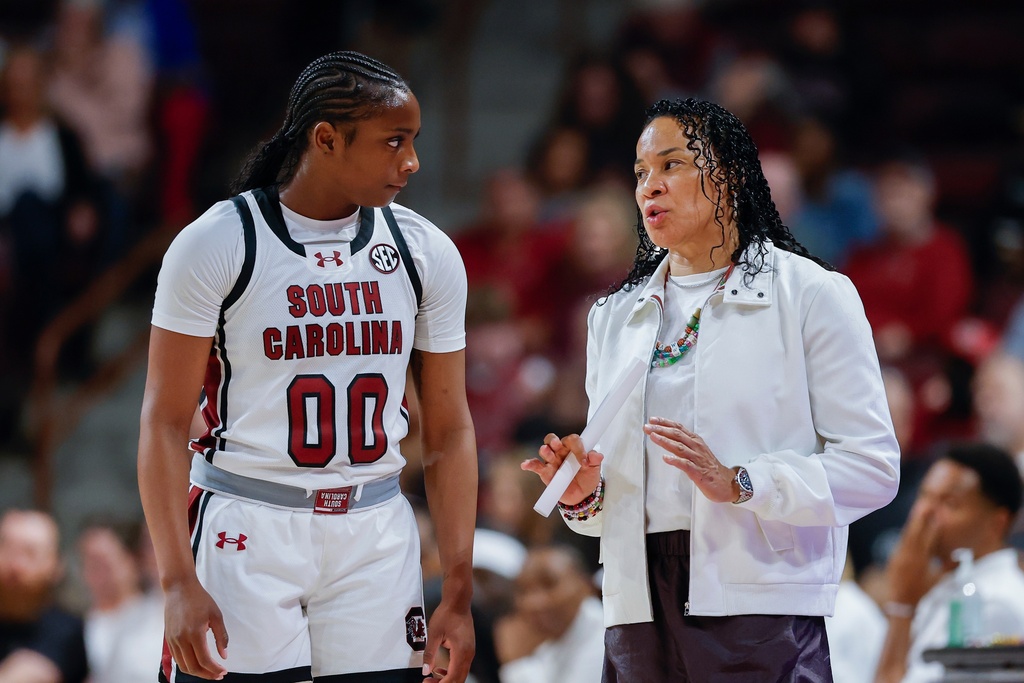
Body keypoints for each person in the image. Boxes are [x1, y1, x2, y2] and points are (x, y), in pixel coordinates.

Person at [523, 97, 900, 681]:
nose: (651, 185)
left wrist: (743, 482)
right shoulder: (613, 316)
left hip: (760, 601)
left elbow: (873, 467)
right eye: (641, 173)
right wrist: (584, 496)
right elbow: (613, 509)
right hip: (634, 605)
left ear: (730, 176)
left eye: (671, 165)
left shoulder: (812, 294)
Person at [137, 51, 477, 683]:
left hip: (375, 528)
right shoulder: (218, 242)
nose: (412, 161)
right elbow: (162, 423)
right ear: (326, 138)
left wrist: (458, 586)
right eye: (393, 142)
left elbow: (451, 429)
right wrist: (176, 581)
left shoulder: (423, 250)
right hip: (248, 521)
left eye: (414, 142)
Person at [873, 443, 1024, 683]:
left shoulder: (992, 602)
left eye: (949, 503)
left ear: (998, 522)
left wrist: (902, 604)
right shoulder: (952, 582)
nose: (923, 513)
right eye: (924, 495)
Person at [493, 545, 604, 683]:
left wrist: (516, 664)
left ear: (586, 585)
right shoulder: (547, 643)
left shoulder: (606, 642)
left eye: (549, 584)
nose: (533, 603)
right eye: (523, 590)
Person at [0, 509, 88, 683]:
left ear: (56, 566)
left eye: (29, 553)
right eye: (6, 548)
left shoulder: (66, 629)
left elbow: (32, 673)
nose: (15, 565)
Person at [77, 518, 164, 683]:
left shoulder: (160, 612)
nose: (100, 575)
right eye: (91, 563)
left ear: (131, 560)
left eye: (105, 564)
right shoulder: (75, 627)